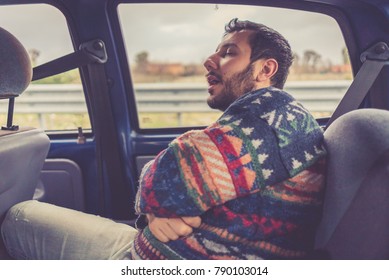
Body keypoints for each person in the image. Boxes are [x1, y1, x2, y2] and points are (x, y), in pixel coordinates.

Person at [1, 18, 326, 260]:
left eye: (228, 53)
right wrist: (159, 212)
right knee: (24, 212)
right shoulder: (271, 119)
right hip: (168, 252)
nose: (208, 62)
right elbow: (176, 183)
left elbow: (167, 176)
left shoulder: (271, 119)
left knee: (17, 221)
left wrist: (162, 203)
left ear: (265, 69)